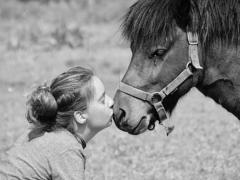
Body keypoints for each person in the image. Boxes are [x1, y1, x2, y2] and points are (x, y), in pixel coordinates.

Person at [0, 66, 114, 180]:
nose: (111, 102)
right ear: (80, 116)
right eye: (102, 100)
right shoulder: (66, 149)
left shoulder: (40, 133)